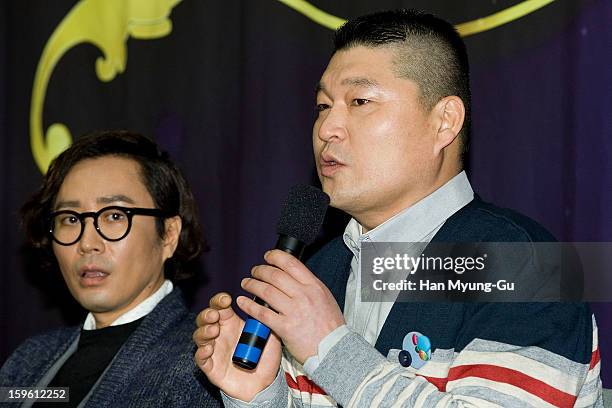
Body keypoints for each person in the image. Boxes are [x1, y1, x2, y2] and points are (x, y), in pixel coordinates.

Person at [193, 9, 603, 408]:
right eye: (322, 106)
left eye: (360, 101)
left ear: (444, 122)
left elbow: (337, 358)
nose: (326, 128)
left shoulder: (521, 265)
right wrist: (260, 394)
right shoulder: (320, 272)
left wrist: (329, 347)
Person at [0, 131, 221, 407]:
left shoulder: (206, 361)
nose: (87, 243)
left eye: (115, 216)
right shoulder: (28, 361)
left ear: (168, 235)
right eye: (70, 218)